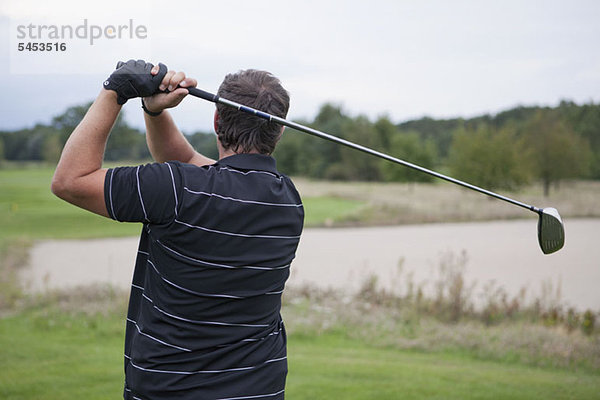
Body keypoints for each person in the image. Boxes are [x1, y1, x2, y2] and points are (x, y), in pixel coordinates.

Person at [51, 60, 304, 400]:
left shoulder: (177, 188)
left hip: (168, 389)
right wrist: (154, 113)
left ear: (216, 120)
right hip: (257, 389)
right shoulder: (286, 199)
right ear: (280, 130)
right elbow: (181, 158)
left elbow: (70, 182)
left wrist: (115, 90)